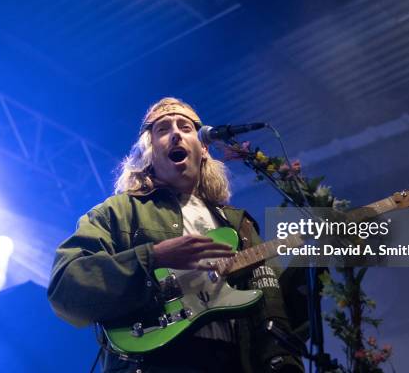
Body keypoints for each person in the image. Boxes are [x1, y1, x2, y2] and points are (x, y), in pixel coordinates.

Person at [48, 97, 303, 373]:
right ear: (149, 152)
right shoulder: (117, 212)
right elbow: (66, 288)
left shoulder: (239, 224)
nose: (176, 134)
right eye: (163, 129)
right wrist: (153, 257)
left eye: (185, 127)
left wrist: (323, 261)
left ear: (203, 148)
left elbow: (278, 308)